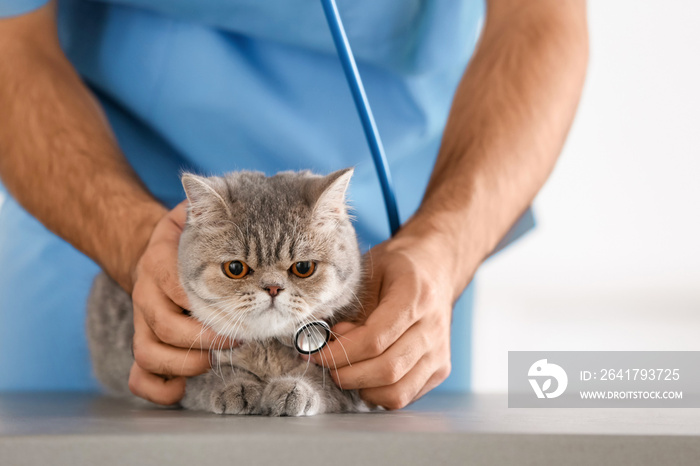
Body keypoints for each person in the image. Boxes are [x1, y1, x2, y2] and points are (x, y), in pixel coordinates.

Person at [0, 0, 588, 409]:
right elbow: (10, 43)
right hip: (96, 183)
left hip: (399, 203)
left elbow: (541, 20)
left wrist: (445, 246)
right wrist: (131, 242)